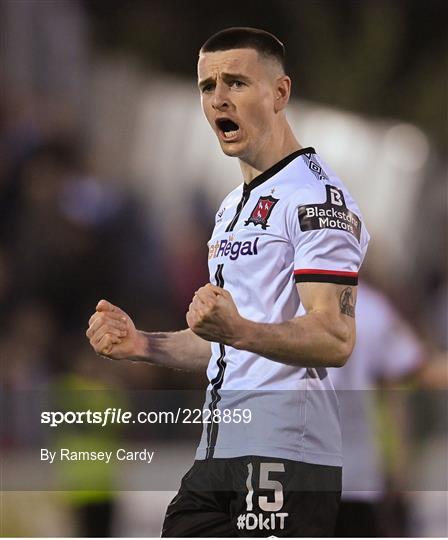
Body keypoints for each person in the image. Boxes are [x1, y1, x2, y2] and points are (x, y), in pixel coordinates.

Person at [86, 27, 370, 537]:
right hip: (218, 454)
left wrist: (238, 330)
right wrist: (143, 344)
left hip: (285, 457)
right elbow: (228, 343)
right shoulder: (229, 207)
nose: (218, 98)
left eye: (236, 82)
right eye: (206, 85)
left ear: (279, 93)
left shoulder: (315, 198)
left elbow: (334, 336)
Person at [329, 281, 425, 537]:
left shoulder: (278, 302)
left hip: (301, 473)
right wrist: (400, 469)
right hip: (358, 472)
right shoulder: (372, 308)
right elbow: (398, 392)